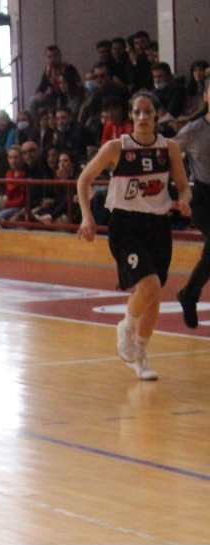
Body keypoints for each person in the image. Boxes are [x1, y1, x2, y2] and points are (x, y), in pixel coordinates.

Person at [77, 91, 191, 380]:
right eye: (137, 112)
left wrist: (185, 198)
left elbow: (182, 184)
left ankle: (140, 355)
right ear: (131, 116)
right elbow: (84, 180)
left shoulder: (170, 148)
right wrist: (86, 215)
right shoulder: (117, 148)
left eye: (147, 112)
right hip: (126, 226)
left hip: (158, 226)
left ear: (156, 115)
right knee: (150, 285)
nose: (142, 117)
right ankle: (126, 326)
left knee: (153, 296)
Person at [175, 78, 210, 328]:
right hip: (204, 196)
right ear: (206, 96)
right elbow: (170, 153)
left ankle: (189, 294)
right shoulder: (193, 130)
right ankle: (189, 294)